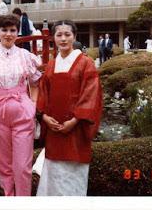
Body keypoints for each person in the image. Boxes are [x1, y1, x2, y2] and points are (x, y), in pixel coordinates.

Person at [36, 20, 103, 196]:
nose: (63, 39)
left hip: (77, 128)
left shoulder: (85, 63)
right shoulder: (51, 64)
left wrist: (74, 121)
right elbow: (43, 93)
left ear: (74, 36)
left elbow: (91, 95)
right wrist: (43, 117)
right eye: (59, 35)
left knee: (73, 173)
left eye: (67, 34)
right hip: (53, 128)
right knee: (54, 171)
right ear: (53, 38)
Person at [0, 14, 42, 196]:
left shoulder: (26, 56)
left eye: (12, 30)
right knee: (3, 164)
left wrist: (33, 105)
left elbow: (36, 82)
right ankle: (8, 197)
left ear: (17, 32)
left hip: (23, 108)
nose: (8, 34)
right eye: (4, 30)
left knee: (22, 165)